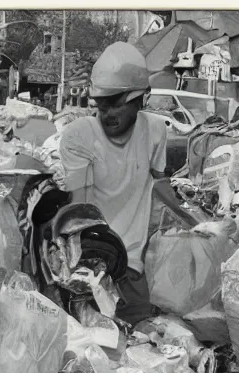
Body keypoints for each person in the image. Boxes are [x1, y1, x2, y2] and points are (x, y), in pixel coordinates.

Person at [59, 42, 168, 326]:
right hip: (93, 263)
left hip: (132, 267)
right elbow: (79, 210)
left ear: (142, 98)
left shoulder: (156, 130)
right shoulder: (78, 136)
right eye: (101, 104)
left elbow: (159, 185)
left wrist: (193, 221)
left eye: (117, 103)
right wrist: (86, 272)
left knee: (144, 341)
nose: (107, 113)